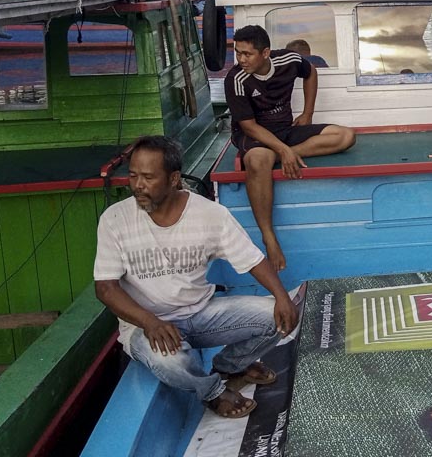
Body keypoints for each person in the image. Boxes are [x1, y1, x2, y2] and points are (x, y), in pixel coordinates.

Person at [93, 135, 299, 419]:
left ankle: (231, 365)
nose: (138, 185)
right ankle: (212, 392)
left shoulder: (210, 214)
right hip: (146, 324)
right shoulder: (114, 219)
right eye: (133, 176)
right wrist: (150, 322)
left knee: (277, 316)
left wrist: (281, 297)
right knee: (168, 362)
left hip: (202, 314)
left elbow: (252, 259)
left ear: (174, 178)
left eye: (149, 177)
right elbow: (105, 288)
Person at [226, 25, 355, 271]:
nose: (241, 60)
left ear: (265, 53)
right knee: (258, 160)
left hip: (285, 131)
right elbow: (249, 127)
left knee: (345, 136)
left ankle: (277, 153)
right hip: (253, 136)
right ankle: (269, 236)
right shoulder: (236, 79)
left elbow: (310, 72)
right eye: (238, 53)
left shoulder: (289, 59)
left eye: (247, 54)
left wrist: (308, 113)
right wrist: (284, 150)